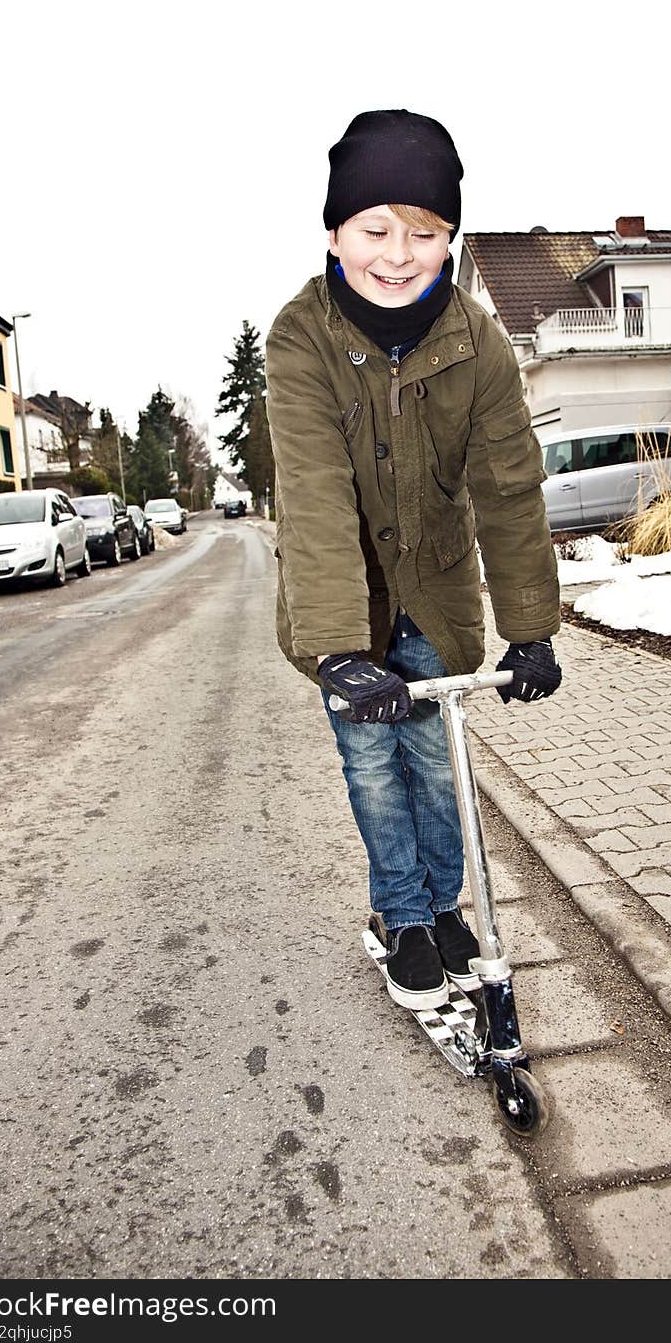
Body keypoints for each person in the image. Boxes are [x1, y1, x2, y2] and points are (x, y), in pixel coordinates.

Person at [266, 110, 562, 1012]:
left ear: (450, 239)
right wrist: (336, 648)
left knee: (435, 762)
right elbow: (313, 491)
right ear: (335, 233)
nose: (399, 254)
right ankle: (401, 913)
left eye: (426, 233)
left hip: (433, 591)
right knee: (371, 765)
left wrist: (531, 631)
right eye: (375, 229)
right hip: (344, 602)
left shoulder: (480, 343)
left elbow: (509, 490)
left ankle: (442, 905)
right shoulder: (299, 337)